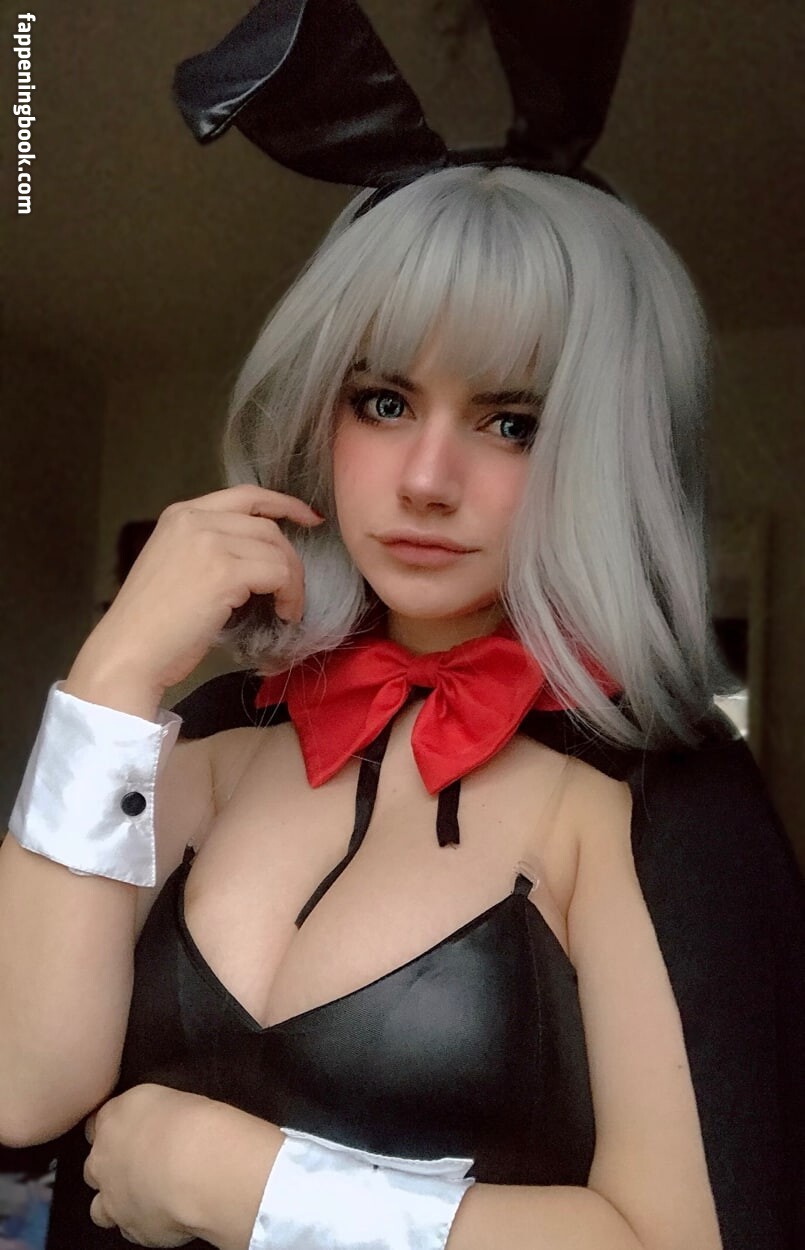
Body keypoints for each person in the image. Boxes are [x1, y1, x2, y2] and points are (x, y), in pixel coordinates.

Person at [1, 5, 804, 1250]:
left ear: (608, 452)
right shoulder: (208, 739)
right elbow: (20, 1089)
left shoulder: (659, 797)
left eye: (511, 421)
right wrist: (109, 675)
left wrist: (248, 1186)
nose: (427, 479)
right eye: (383, 399)